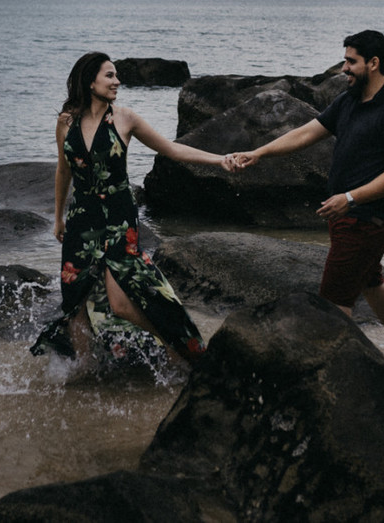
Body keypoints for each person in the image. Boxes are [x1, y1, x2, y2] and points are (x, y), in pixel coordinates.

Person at [31, 51, 236, 368]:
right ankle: (84, 371)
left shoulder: (125, 118)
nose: (118, 81)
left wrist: (219, 160)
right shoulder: (66, 121)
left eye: (116, 75)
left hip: (117, 217)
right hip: (81, 218)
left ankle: (170, 346)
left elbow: (171, 149)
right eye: (110, 75)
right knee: (76, 302)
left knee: (122, 302)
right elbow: (63, 170)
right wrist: (58, 217)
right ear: (90, 81)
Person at [230, 30, 384, 366]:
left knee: (333, 306)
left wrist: (350, 197)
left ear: (373, 63)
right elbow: (307, 132)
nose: (343, 68)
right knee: (370, 280)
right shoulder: (350, 99)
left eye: (351, 61)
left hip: (366, 218)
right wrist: (259, 152)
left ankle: (339, 374)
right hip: (351, 214)